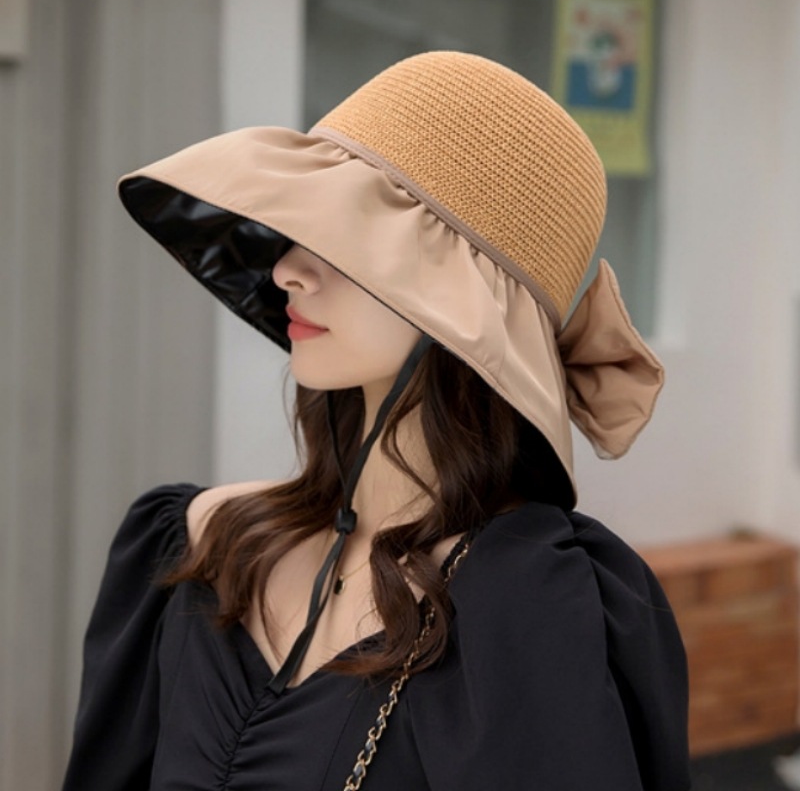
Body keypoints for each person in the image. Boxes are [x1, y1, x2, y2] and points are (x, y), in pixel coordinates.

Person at [62, 51, 690, 790]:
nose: (287, 270)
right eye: (299, 230)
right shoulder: (195, 541)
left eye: (346, 238)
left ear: (463, 299)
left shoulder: (529, 606)